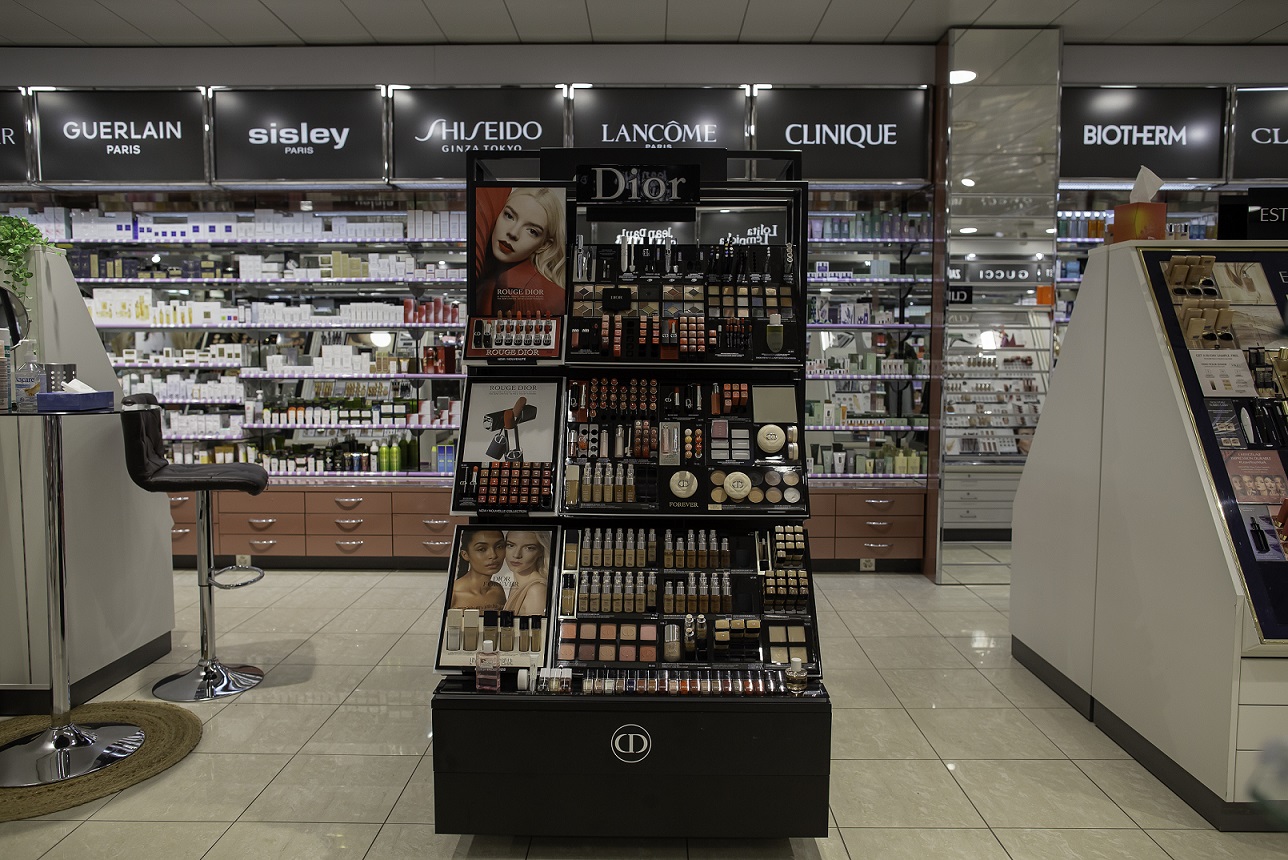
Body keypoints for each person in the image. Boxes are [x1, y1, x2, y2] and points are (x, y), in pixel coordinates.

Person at [473, 186, 566, 317]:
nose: (513, 233)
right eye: (509, 216)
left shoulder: (550, 299)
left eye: (532, 231)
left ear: (544, 245)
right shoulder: (485, 274)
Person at [450, 529, 507, 610]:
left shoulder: (497, 591)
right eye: (482, 549)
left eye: (499, 547)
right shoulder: (454, 594)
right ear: (465, 554)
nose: (493, 555)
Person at [502, 530, 550, 616]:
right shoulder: (516, 585)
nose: (517, 555)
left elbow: (538, 625)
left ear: (541, 551)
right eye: (511, 545)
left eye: (529, 548)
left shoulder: (536, 590)